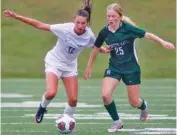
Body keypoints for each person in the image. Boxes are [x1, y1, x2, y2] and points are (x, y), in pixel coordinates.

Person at [3, 1, 110, 125]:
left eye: (83, 23)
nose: (80, 25)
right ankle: (42, 108)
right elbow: (39, 25)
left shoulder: (89, 35)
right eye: (78, 22)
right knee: (51, 93)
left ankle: (67, 120)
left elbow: (95, 46)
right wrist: (17, 16)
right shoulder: (64, 29)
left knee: (73, 100)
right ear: (73, 20)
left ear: (87, 23)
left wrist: (105, 50)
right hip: (54, 62)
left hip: (69, 67)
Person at [84, 3, 175, 133]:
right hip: (114, 67)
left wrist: (162, 42)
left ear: (120, 17)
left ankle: (143, 106)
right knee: (105, 95)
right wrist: (89, 67)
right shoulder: (104, 32)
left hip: (131, 68)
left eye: (113, 16)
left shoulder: (128, 29)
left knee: (134, 102)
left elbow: (148, 35)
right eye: (108, 16)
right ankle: (117, 121)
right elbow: (95, 48)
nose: (110, 19)